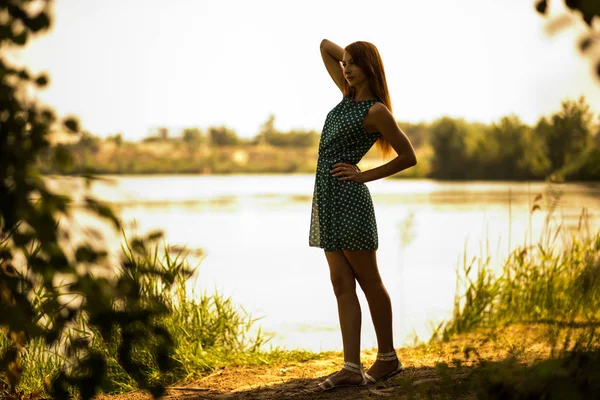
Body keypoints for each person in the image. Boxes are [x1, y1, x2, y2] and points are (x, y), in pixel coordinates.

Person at [309, 39, 417, 391]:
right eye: (346, 64)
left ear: (370, 67)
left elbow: (408, 156)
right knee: (340, 282)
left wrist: (362, 175)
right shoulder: (345, 94)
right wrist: (349, 58)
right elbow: (325, 46)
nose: (346, 68)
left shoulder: (376, 111)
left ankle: (388, 358)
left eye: (354, 64)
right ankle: (351, 367)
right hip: (326, 199)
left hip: (351, 200)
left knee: (369, 280)